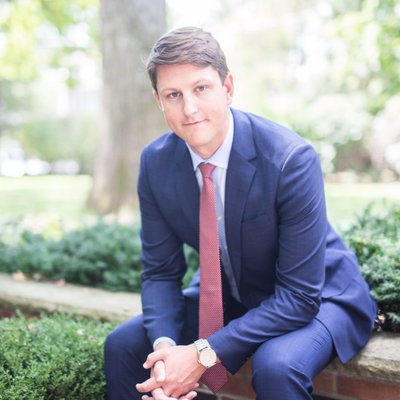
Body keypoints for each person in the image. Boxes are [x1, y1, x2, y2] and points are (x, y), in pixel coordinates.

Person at [104, 26, 376, 400]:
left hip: (318, 296)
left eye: (201, 88)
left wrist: (201, 353)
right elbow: (161, 272)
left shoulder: (290, 159)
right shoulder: (156, 162)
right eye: (174, 95)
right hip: (235, 292)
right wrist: (166, 351)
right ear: (159, 101)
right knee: (124, 346)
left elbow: (299, 296)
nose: (189, 108)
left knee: (277, 366)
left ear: (228, 88)